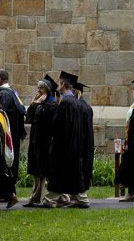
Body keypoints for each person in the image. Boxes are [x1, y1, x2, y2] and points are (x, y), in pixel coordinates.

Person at [43, 72, 87, 208]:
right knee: (73, 173)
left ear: (63, 84)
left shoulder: (66, 103)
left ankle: (50, 200)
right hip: (74, 144)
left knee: (60, 172)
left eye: (59, 82)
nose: (58, 84)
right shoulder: (75, 102)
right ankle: (82, 199)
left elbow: (58, 125)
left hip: (64, 144)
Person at [24, 75, 58, 207]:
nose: (38, 90)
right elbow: (29, 119)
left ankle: (41, 197)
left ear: (47, 89)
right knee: (36, 169)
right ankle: (36, 197)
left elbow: (49, 122)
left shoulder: (52, 103)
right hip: (35, 139)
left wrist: (40, 104)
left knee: (43, 169)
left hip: (45, 140)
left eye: (40, 88)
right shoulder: (39, 102)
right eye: (37, 87)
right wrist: (33, 104)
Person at [0, 68, 27, 185]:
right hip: (12, 135)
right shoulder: (12, 92)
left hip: (6, 137)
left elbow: (0, 117)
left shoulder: (4, 94)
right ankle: (8, 191)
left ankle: (6, 192)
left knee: (5, 161)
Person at [73, 80, 94, 206]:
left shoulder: (79, 107)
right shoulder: (86, 106)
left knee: (79, 168)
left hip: (80, 143)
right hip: (86, 142)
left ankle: (81, 196)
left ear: (76, 91)